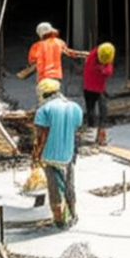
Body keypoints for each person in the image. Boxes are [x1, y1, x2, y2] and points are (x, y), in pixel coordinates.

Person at [32, 79, 83, 228]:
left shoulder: (44, 110)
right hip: (69, 154)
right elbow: (76, 131)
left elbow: (42, 136)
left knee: (55, 189)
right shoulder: (75, 107)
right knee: (69, 185)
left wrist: (36, 155)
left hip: (50, 155)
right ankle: (73, 213)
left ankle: (59, 220)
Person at [82, 42, 115, 144]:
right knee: (100, 109)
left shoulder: (93, 54)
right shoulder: (101, 66)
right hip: (95, 88)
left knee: (91, 109)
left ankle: (93, 130)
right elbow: (108, 72)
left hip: (90, 87)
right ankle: (99, 130)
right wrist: (103, 68)